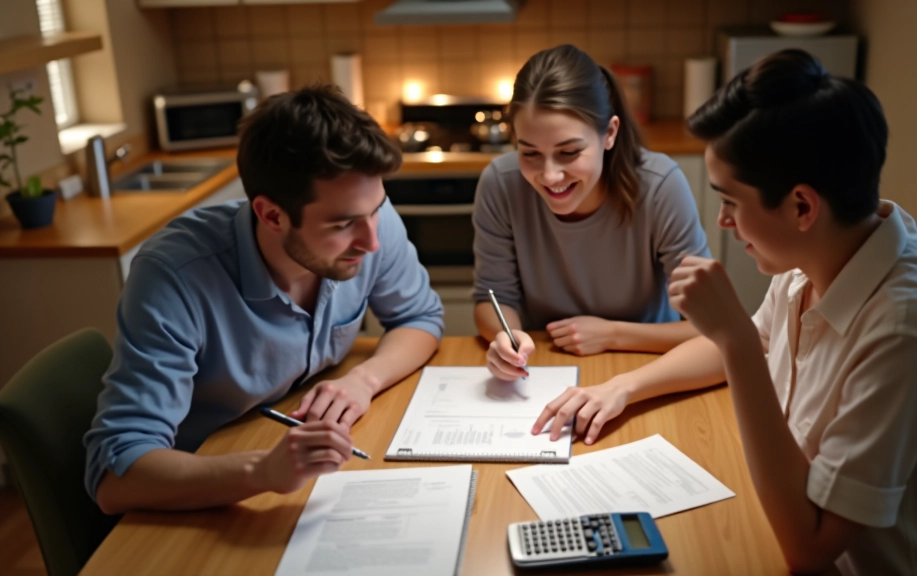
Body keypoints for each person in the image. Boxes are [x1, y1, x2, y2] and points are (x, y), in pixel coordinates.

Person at [534, 49, 917, 574]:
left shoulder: (908, 327)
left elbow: (811, 549)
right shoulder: (818, 260)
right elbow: (745, 344)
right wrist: (623, 388)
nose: (723, 222)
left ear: (801, 207)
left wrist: (737, 342)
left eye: (729, 201)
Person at [84, 85, 444, 514]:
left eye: (376, 210)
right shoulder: (174, 278)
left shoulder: (370, 223)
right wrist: (262, 472)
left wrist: (363, 381)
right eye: (344, 224)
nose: (371, 242)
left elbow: (419, 317)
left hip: (287, 455)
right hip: (200, 497)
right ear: (271, 215)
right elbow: (115, 478)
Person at [475, 44, 710, 381]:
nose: (550, 175)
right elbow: (492, 297)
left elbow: (710, 325)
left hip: (646, 369)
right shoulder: (501, 184)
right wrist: (506, 336)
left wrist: (612, 334)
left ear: (609, 133)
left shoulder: (661, 186)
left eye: (569, 152)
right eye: (530, 154)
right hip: (544, 368)